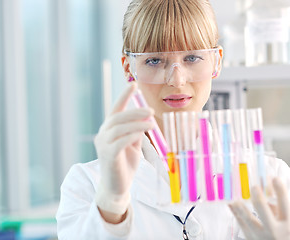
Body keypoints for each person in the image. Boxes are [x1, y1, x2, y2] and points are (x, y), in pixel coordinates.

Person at [56, 0, 290, 239]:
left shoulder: (273, 177)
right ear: (128, 67)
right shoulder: (87, 185)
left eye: (192, 58)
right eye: (155, 60)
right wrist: (110, 204)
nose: (176, 80)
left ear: (217, 62)